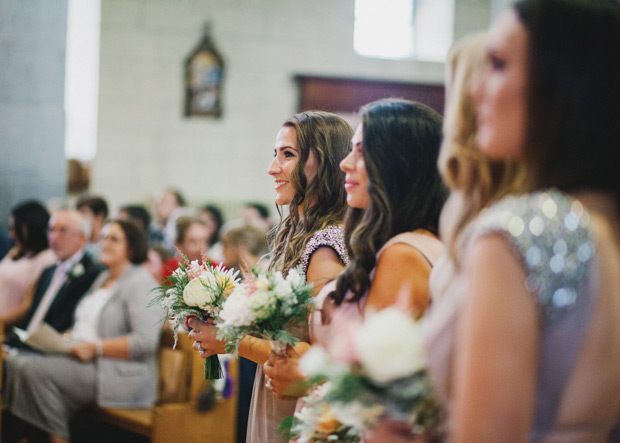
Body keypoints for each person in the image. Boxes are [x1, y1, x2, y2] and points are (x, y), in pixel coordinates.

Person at [425, 1, 620, 441]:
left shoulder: (520, 230)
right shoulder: (602, 226)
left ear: (561, 81)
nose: (475, 91)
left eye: (497, 64)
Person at [263, 100, 447, 441]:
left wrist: (307, 374)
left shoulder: (403, 254)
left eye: (361, 153)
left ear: (398, 165)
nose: (345, 164)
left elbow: (383, 388)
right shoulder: (397, 245)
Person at [188, 111, 353, 443]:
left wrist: (229, 339)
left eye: (287, 155)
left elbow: (318, 360)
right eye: (275, 154)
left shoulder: (325, 248)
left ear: (321, 164)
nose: (272, 168)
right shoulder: (297, 232)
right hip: (275, 398)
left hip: (297, 414)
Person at [3, 219, 164, 443]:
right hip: (81, 359)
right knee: (17, 363)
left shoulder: (141, 283)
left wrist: (95, 348)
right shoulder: (102, 278)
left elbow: (145, 342)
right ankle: (31, 435)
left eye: (114, 239)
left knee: (32, 369)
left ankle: (56, 437)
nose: (105, 243)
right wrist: (61, 340)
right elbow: (86, 324)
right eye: (104, 238)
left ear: (132, 248)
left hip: (116, 372)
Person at [3, 210, 102, 344]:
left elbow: (68, 319)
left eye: (62, 231)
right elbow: (32, 314)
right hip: (25, 341)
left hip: (53, 345)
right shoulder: (48, 271)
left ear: (82, 238)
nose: (54, 237)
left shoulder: (92, 272)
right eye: (51, 230)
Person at [220, 225, 269, 443]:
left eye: (225, 246)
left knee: (247, 407)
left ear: (239, 248)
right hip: (247, 349)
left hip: (254, 353)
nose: (222, 252)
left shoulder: (257, 276)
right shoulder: (247, 274)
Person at [0, 201, 55, 320]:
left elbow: (28, 305)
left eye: (17, 230)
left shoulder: (47, 258)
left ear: (33, 227)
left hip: (8, 325)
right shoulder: (15, 252)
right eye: (11, 229)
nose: (12, 235)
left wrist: (2, 323)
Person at [76, 195, 109, 260]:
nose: (79, 218)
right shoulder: (79, 244)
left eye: (83, 213)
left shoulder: (107, 244)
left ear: (100, 216)